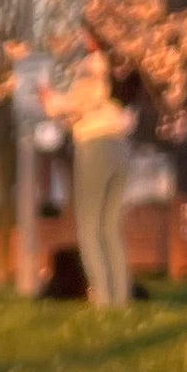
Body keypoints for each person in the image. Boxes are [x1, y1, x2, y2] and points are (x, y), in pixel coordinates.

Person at [54, 48, 139, 305]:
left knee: (89, 226)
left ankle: (102, 298)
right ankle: (121, 297)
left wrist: (50, 99)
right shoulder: (125, 69)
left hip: (93, 145)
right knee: (111, 225)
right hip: (121, 146)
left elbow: (70, 108)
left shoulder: (91, 69)